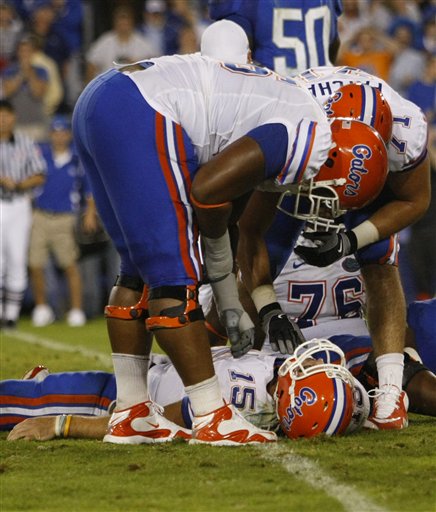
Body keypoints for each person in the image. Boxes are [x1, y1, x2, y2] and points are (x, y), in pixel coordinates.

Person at [71, 45, 390, 445]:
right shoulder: (310, 139)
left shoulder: (294, 117)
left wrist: (227, 299)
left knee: (136, 270)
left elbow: (231, 218)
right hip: (143, 108)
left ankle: (132, 411)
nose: (326, 210)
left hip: (106, 98)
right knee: (173, 276)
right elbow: (207, 192)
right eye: (333, 197)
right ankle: (211, 415)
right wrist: (218, 284)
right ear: (332, 165)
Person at [28, 114, 89, 328]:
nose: (60, 136)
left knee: (69, 265)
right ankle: (42, 307)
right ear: (51, 134)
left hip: (66, 217)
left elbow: (88, 188)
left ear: (69, 135)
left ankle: (76, 310)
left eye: (63, 132)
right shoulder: (40, 154)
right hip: (41, 214)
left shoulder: (76, 158)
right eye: (56, 132)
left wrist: (90, 213)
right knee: (35, 263)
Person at [0, 99, 46, 329]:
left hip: (19, 203)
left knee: (17, 259)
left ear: (13, 117)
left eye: (6, 115)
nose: (3, 119)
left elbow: (40, 173)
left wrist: (18, 184)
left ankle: (11, 316)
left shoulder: (25, 143)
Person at [208, 0, 343, 76]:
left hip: (275, 94)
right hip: (323, 91)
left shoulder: (246, 4)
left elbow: (233, 55)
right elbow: (333, 44)